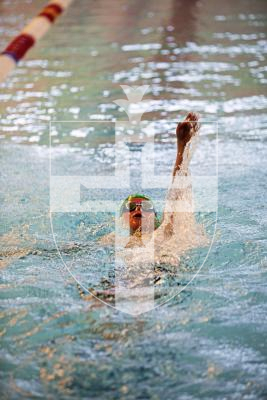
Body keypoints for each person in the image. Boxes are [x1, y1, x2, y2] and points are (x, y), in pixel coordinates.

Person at [100, 112, 208, 263]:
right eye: (131, 207)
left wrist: (182, 146)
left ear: (155, 218)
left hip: (163, 270)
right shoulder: (112, 239)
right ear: (122, 220)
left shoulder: (164, 230)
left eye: (145, 207)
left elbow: (176, 191)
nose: (138, 210)